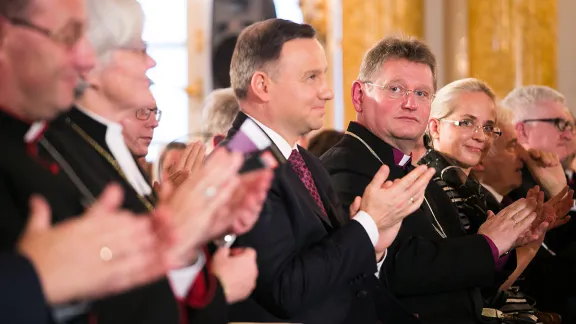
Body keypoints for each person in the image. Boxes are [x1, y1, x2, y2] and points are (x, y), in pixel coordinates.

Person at [225, 18, 433, 324]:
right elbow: (286, 291)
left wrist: (373, 246)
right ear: (262, 86)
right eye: (311, 77)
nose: (327, 92)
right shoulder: (240, 164)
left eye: (323, 76)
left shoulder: (307, 162)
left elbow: (337, 271)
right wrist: (367, 225)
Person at [321, 38, 538, 324]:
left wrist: (506, 244)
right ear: (359, 95)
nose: (411, 104)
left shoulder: (413, 170)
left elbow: (461, 277)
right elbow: (394, 269)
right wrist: (488, 244)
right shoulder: (346, 165)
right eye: (395, 89)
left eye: (422, 93)